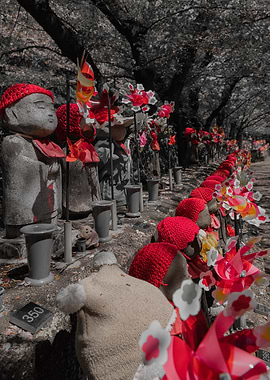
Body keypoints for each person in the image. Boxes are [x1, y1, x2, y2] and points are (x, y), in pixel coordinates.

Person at [0, 83, 64, 237]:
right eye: (41, 107)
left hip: (47, 202)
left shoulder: (48, 145)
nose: (50, 113)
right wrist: (47, 168)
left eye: (51, 108)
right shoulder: (13, 142)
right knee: (28, 231)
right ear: (12, 113)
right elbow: (20, 168)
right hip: (26, 208)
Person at [55, 103, 101, 217]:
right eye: (84, 118)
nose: (89, 122)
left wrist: (97, 200)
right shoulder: (63, 152)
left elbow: (94, 181)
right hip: (70, 205)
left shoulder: (89, 148)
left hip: (89, 204)